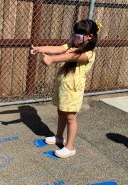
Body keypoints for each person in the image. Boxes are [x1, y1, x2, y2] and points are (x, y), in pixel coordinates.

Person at [30, 19, 99, 158]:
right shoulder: (71, 45)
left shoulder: (89, 53)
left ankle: (70, 147)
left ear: (90, 36)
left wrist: (51, 59)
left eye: (79, 34)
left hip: (73, 91)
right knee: (61, 112)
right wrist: (39, 49)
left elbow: (71, 56)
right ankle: (59, 137)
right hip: (63, 88)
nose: (75, 36)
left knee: (70, 117)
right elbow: (57, 49)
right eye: (75, 33)